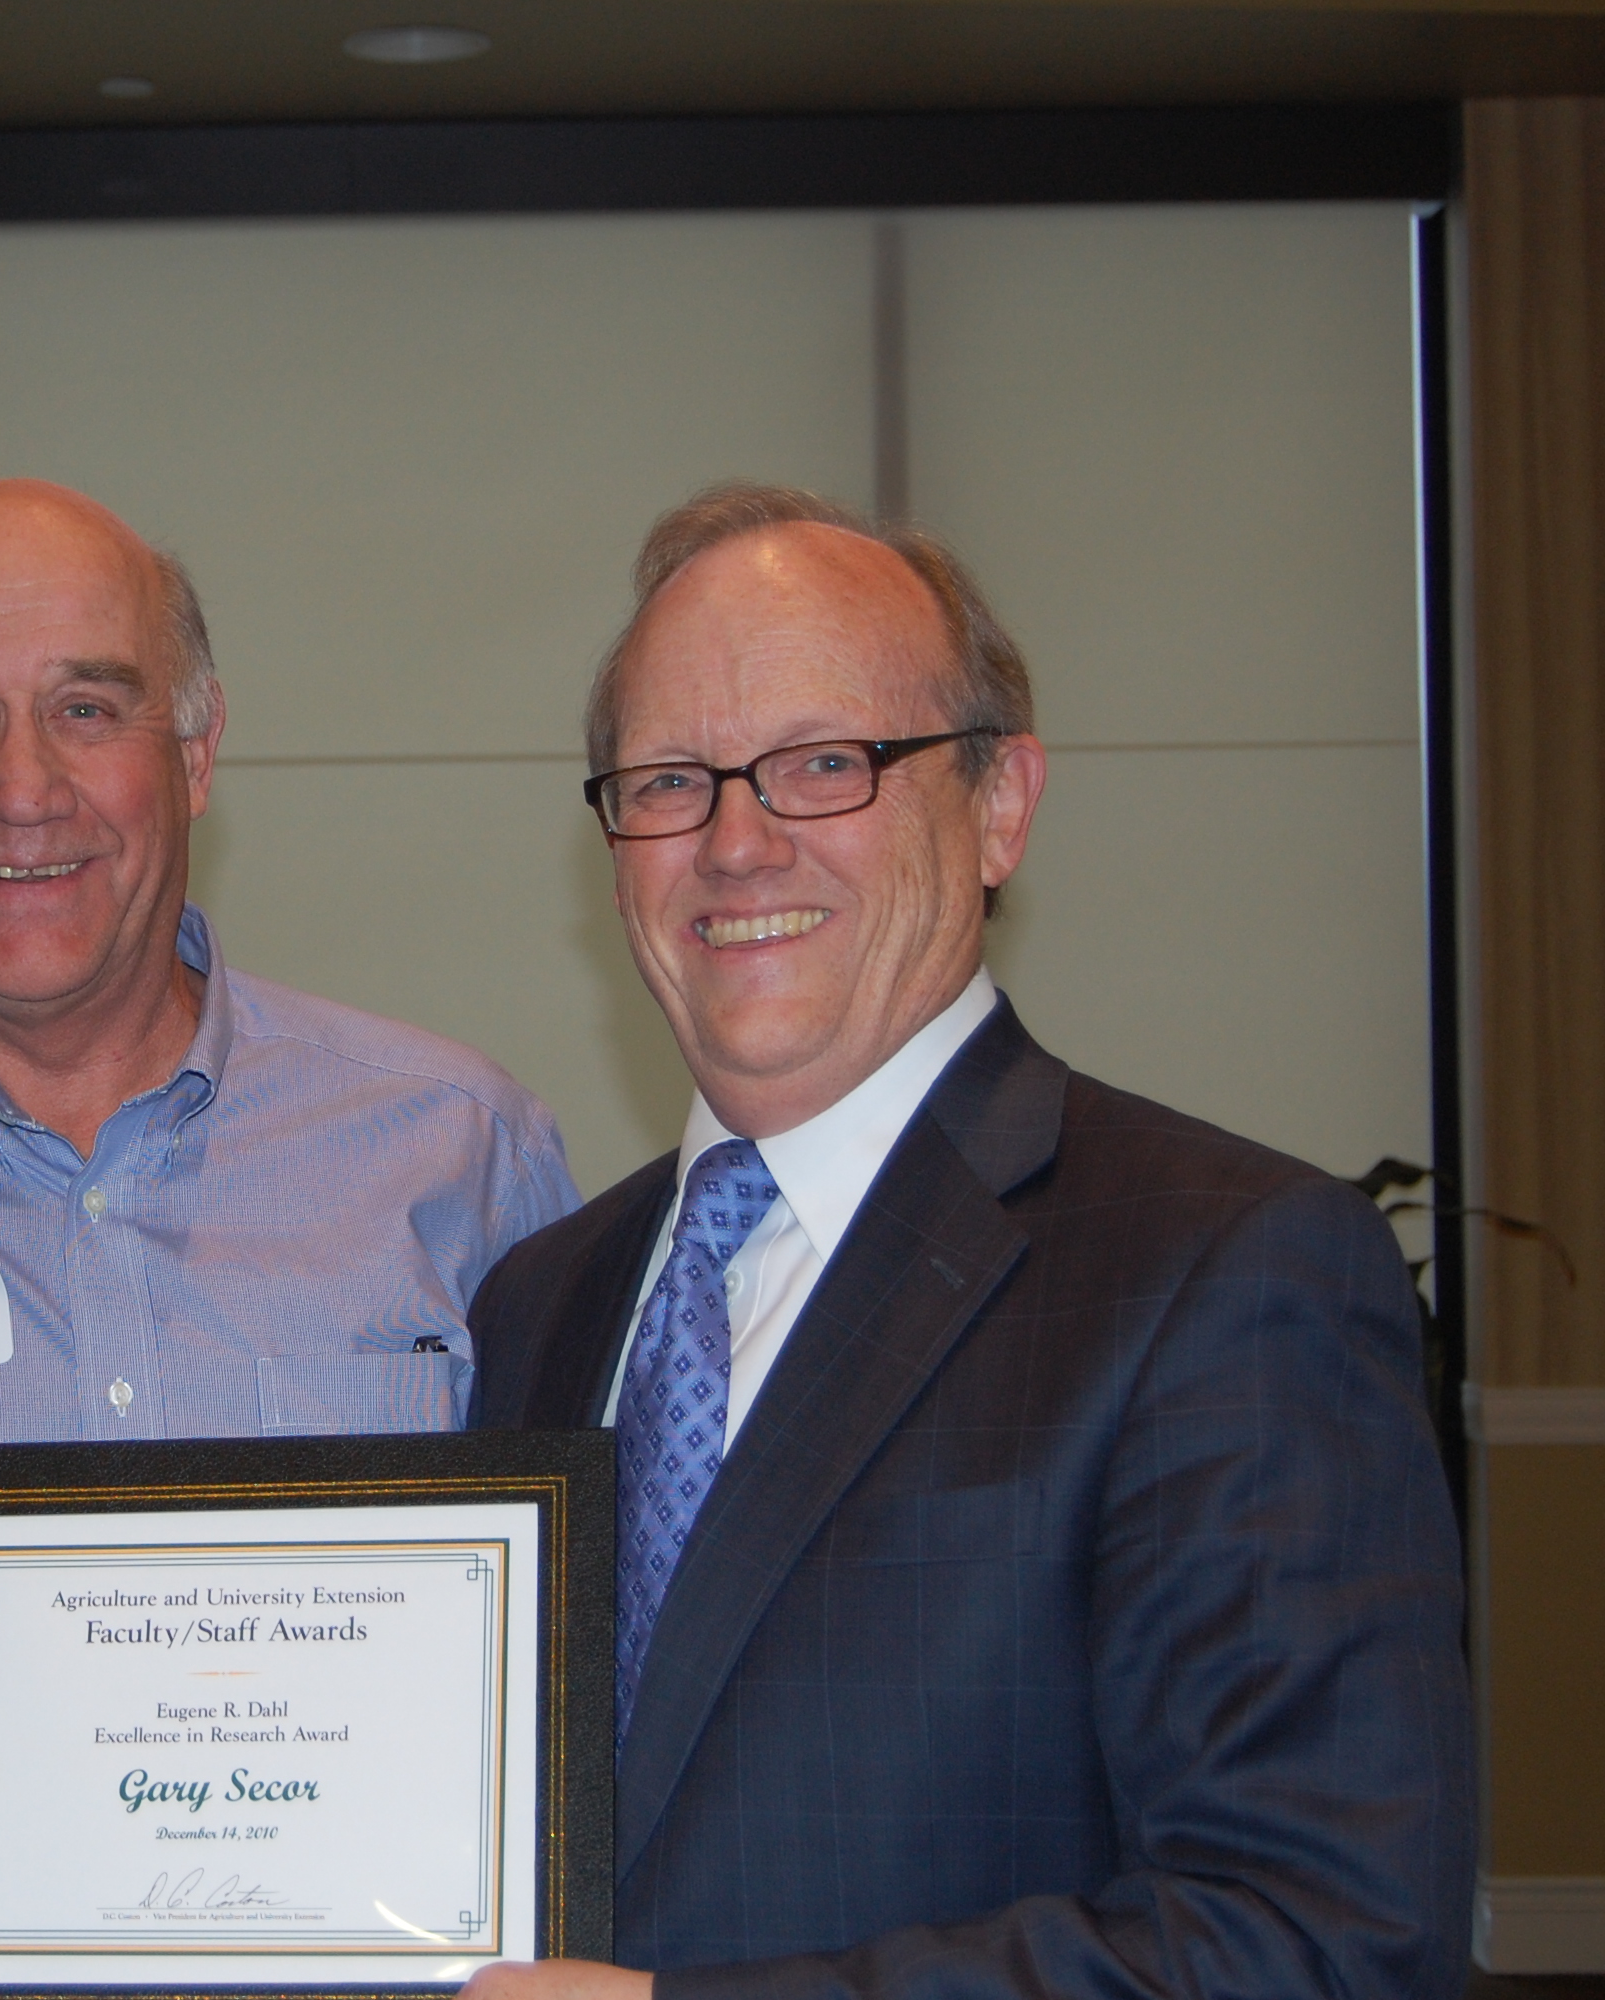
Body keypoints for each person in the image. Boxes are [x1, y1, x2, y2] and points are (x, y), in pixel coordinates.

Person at [460, 484, 1472, 1998]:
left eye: (825, 763)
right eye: (670, 778)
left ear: (999, 805)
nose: (736, 844)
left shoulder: (1225, 1269)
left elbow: (1322, 1937)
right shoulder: (544, 1300)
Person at [0, 478, 582, 1999]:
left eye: (89, 708)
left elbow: (602, 1687)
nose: (24, 786)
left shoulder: (460, 1152)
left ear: (195, 752)